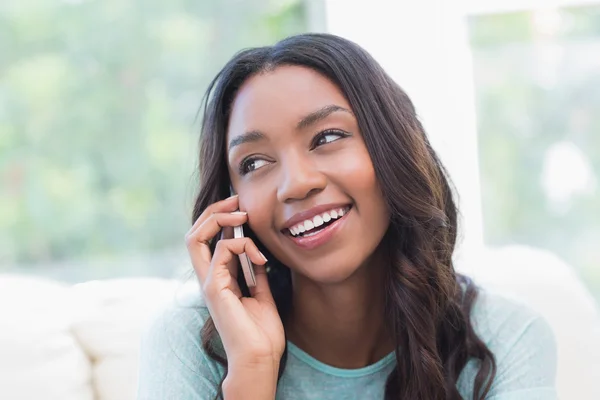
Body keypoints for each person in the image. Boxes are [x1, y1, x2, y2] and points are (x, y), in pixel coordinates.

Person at [137, 33, 557, 400]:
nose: (296, 184)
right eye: (254, 163)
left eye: (328, 137)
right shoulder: (191, 344)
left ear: (394, 148)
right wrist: (251, 373)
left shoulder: (506, 339)